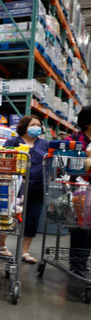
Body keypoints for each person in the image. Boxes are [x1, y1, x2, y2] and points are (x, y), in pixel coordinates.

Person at [0, 115, 49, 264]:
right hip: (16, 187)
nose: (37, 127)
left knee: (32, 220)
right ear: (24, 126)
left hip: (37, 187)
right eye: (33, 124)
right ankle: (1, 244)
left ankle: (24, 251)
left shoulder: (45, 144)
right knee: (9, 216)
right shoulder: (13, 141)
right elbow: (2, 159)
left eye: (39, 124)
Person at [66, 107, 91, 277]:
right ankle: (77, 264)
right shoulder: (73, 140)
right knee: (81, 228)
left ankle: (82, 261)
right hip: (79, 189)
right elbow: (63, 165)